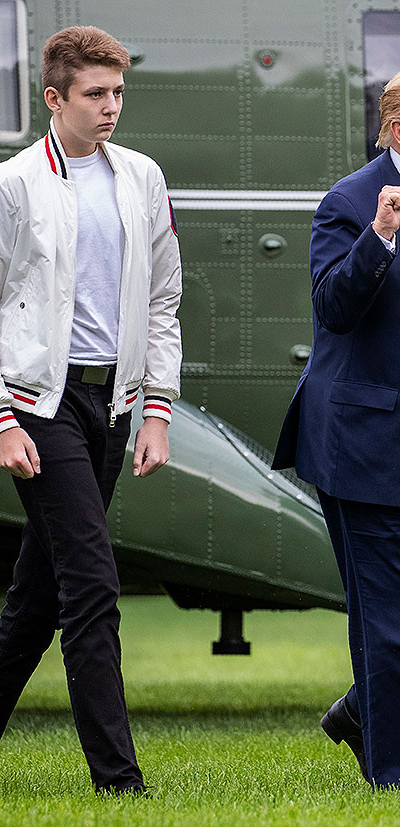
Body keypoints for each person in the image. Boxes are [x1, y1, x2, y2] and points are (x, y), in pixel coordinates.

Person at [0, 26, 182, 796]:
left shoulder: (141, 177)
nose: (111, 109)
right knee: (91, 584)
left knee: (39, 598)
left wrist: (158, 407)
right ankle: (120, 782)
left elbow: (163, 298)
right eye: (95, 95)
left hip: (113, 404)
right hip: (38, 404)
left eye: (118, 95)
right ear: (55, 98)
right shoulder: (6, 186)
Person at [272, 71, 400, 788]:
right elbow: (335, 308)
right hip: (364, 441)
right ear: (398, 130)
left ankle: (359, 709)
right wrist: (380, 236)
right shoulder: (348, 203)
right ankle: (392, 773)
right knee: (384, 619)